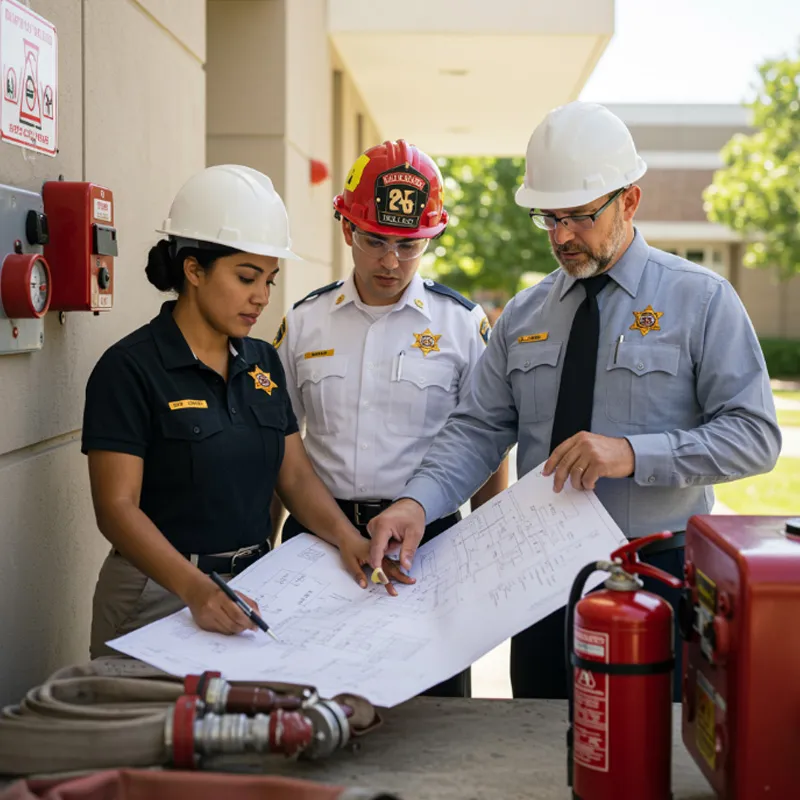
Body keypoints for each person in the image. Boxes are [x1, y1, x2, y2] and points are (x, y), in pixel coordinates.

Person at [365, 102, 782, 700]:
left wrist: (633, 453)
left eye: (580, 217)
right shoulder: (526, 315)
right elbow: (477, 430)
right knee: (534, 749)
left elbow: (755, 436)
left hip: (653, 581)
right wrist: (417, 503)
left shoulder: (702, 301)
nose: (561, 236)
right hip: (538, 588)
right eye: (548, 218)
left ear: (629, 201)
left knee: (644, 762)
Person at [82, 164, 381, 658]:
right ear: (193, 270)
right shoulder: (130, 369)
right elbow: (116, 509)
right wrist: (195, 588)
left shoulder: (262, 361)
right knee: (148, 733)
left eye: (269, 278)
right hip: (156, 594)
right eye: (246, 277)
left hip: (254, 588)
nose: (262, 297)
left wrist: (349, 539)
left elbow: (298, 480)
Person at [271, 139, 509, 697]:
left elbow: (487, 444)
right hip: (319, 546)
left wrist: (485, 561)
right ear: (347, 229)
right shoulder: (304, 324)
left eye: (410, 245)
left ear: (431, 239)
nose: (391, 261)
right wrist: (262, 547)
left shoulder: (461, 324)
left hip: (428, 549)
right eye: (376, 240)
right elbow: (279, 448)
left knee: (433, 714)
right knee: (316, 702)